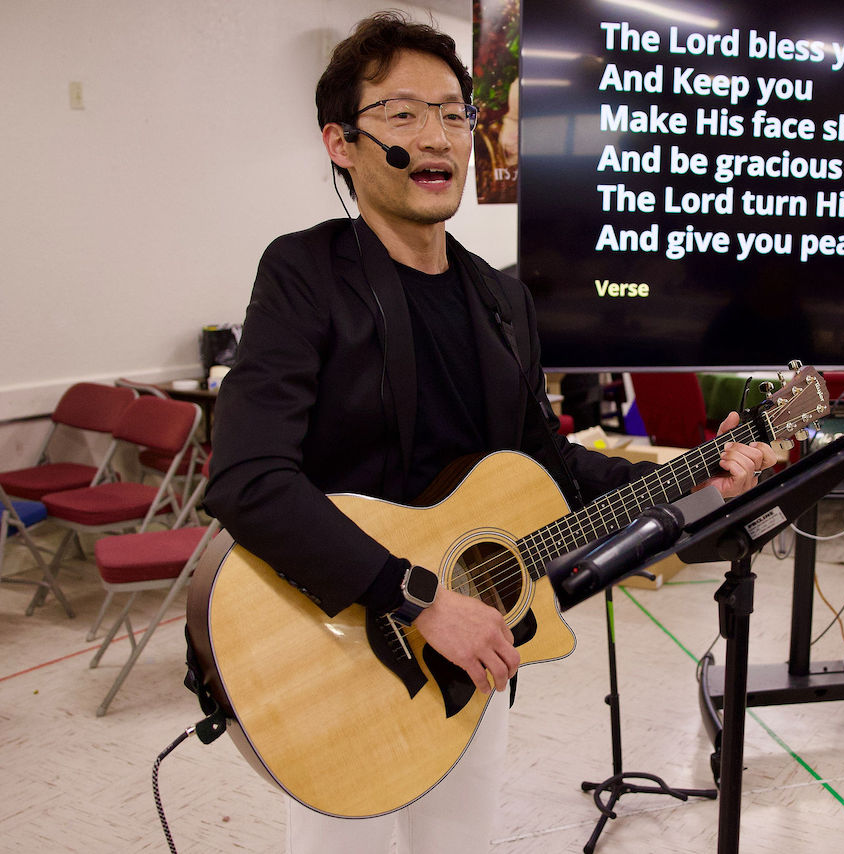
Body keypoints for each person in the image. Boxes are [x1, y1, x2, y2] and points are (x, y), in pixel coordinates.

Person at [202, 11, 776, 853]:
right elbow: (247, 478)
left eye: (453, 113)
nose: (437, 137)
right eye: (402, 113)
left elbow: (548, 466)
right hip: (334, 649)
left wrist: (697, 471)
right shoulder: (305, 273)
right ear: (342, 143)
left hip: (477, 648)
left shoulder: (502, 300)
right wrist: (417, 600)